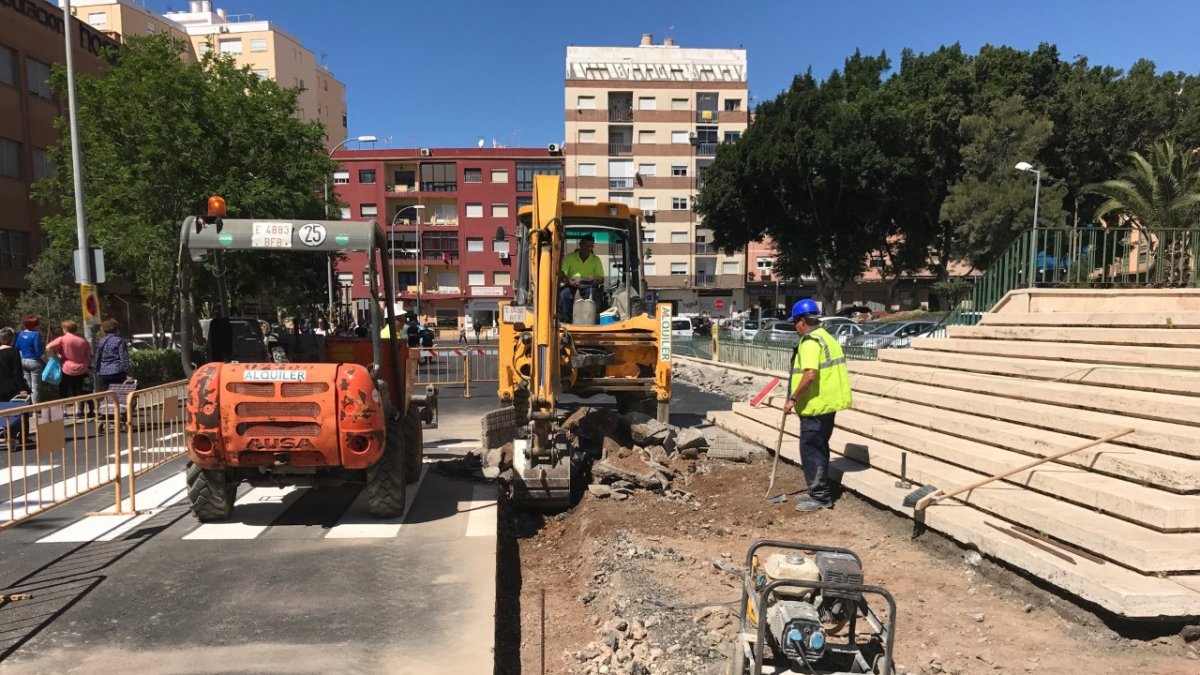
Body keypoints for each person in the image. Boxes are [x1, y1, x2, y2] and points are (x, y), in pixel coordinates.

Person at [782, 299, 852, 512]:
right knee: (819, 448)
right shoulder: (827, 338)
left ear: (802, 321)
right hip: (828, 405)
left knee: (811, 449)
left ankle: (820, 496)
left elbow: (810, 374)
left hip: (815, 406)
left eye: (795, 323)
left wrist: (792, 399)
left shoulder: (810, 341)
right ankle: (817, 491)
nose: (795, 328)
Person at [45, 320, 93, 412]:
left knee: (64, 389)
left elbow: (48, 347)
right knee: (78, 390)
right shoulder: (83, 340)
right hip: (81, 369)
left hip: (66, 368)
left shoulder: (63, 339)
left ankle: (64, 410)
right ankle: (78, 410)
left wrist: (56, 357)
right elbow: (88, 356)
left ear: (65, 329)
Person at [559, 234, 605, 321]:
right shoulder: (570, 257)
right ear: (580, 245)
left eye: (589, 246)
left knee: (593, 294)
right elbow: (562, 274)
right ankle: (567, 321)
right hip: (571, 285)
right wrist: (569, 281)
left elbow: (602, 279)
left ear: (592, 247)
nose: (586, 248)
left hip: (589, 286)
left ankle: (591, 320)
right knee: (564, 295)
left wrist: (595, 279)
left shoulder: (596, 260)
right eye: (584, 245)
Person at [94, 319, 133, 392]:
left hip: (104, 372)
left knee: (107, 395)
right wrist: (128, 372)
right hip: (117, 372)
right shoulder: (119, 340)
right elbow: (123, 358)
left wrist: (97, 370)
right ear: (116, 330)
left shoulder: (101, 341)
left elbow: (97, 357)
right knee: (119, 395)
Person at [16, 315, 44, 404]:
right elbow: (38, 351)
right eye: (37, 324)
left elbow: (18, 348)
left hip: (23, 361)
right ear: (33, 325)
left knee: (27, 386)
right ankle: (35, 409)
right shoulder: (36, 334)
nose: (38, 326)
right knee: (35, 387)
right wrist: (47, 361)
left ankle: (28, 408)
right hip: (34, 362)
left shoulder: (20, 334)